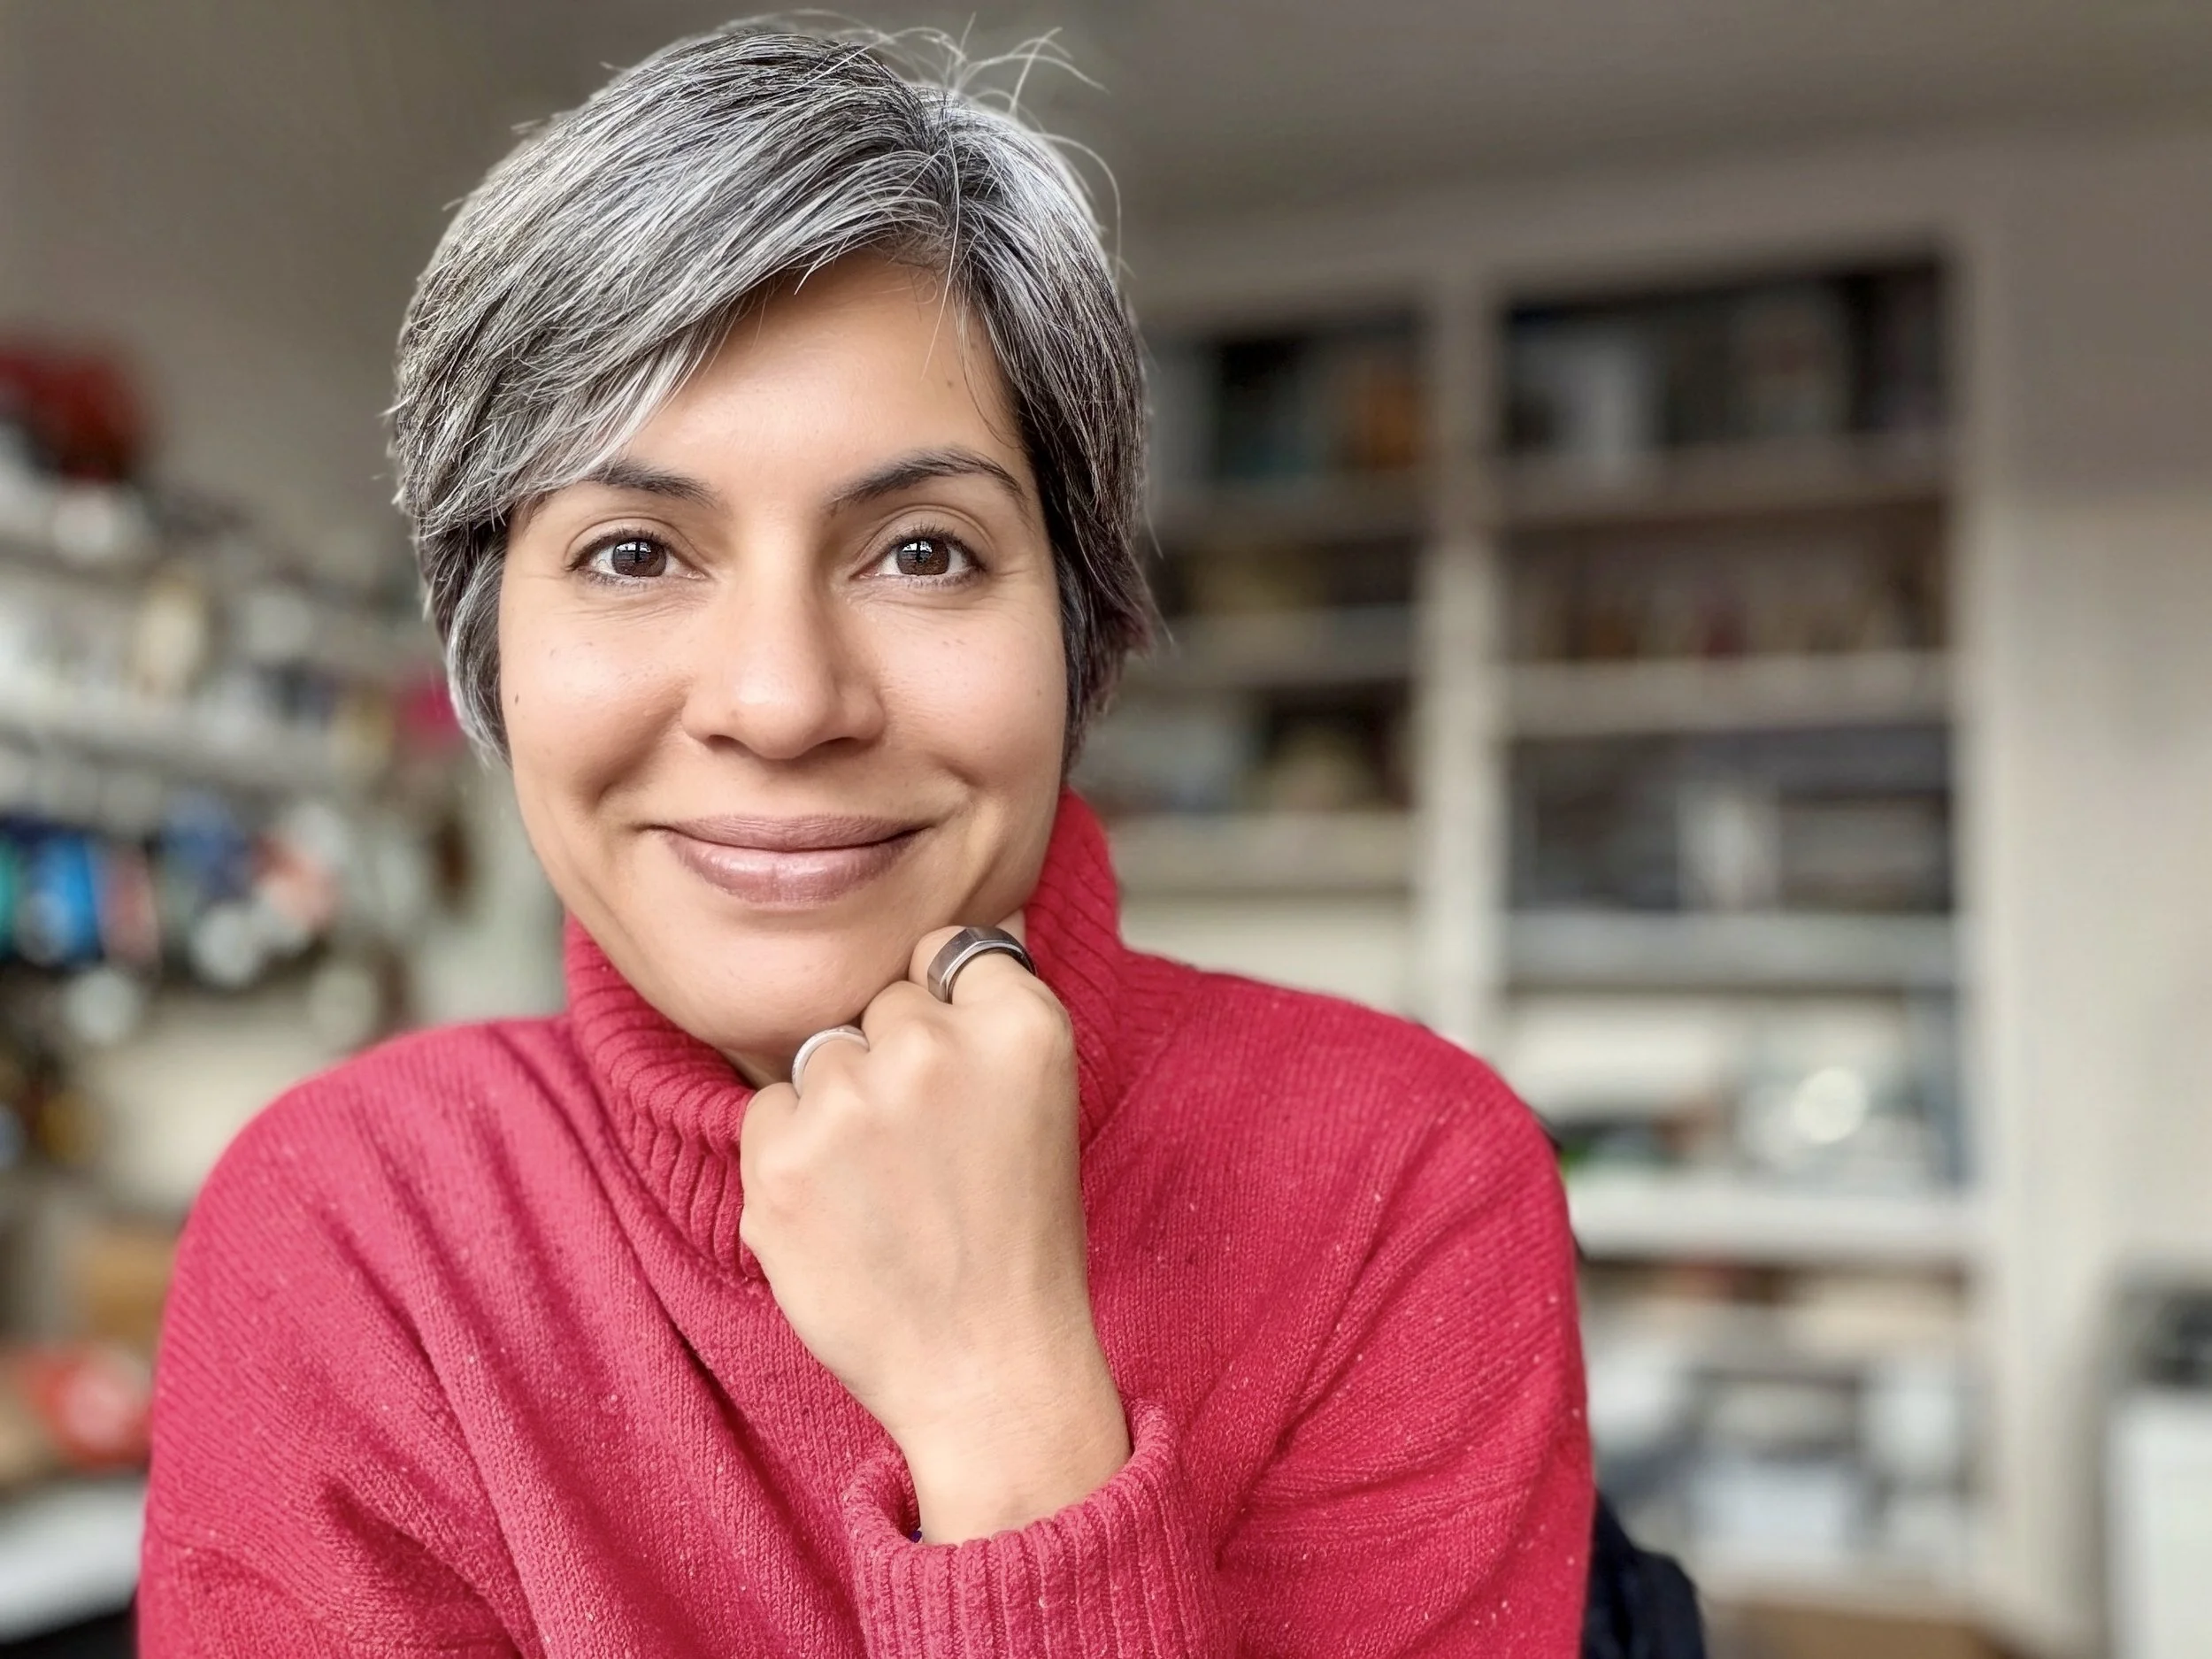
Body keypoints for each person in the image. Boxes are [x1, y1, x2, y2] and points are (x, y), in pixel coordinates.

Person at [141, 24, 1591, 1655]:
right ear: (490, 647)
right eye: (632, 552)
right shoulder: (357, 1235)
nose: (781, 699)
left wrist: (1003, 1402)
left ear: (1081, 627)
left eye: (920, 548)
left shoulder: (1401, 1187)